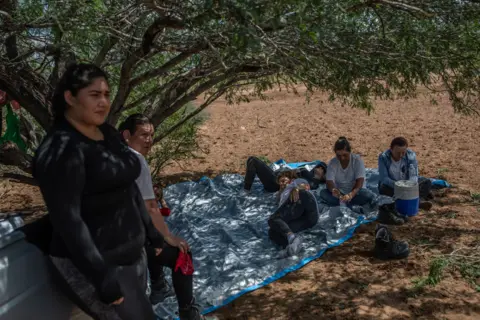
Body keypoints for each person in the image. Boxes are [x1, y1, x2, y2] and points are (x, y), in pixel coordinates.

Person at [33, 64, 203, 320]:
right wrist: (101, 277)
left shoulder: (107, 134)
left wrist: (153, 235)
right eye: (94, 95)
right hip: (96, 265)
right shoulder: (60, 150)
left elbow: (128, 186)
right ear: (69, 97)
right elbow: (69, 221)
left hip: (130, 255)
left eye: (106, 94)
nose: (103, 102)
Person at [118, 114, 192, 306]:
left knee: (152, 236)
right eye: (143, 135)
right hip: (125, 242)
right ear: (127, 134)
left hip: (113, 234)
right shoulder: (136, 160)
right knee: (181, 252)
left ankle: (159, 286)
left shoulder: (110, 154)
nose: (149, 140)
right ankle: (189, 312)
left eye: (151, 135)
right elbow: (151, 207)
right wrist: (169, 237)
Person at [378, 137, 433, 210]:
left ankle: (416, 200)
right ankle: (415, 200)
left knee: (426, 182)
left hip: (407, 184)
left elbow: (413, 175)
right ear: (391, 149)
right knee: (383, 188)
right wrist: (399, 186)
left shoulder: (410, 155)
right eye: (398, 153)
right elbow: (384, 178)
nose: (401, 155)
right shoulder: (383, 157)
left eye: (403, 153)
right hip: (393, 185)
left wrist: (409, 186)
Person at [268, 179, 319, 256]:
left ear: (290, 179)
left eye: (284, 180)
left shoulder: (297, 181)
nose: (283, 183)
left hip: (307, 206)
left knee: (273, 219)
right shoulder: (283, 193)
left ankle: (291, 237)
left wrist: (295, 188)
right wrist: (281, 190)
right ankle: (292, 246)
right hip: (303, 219)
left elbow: (305, 186)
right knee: (272, 231)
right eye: (281, 181)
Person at [321, 137, 376, 207]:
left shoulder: (357, 160)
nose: (342, 158)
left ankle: (344, 204)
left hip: (356, 193)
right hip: (340, 193)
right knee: (323, 193)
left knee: (368, 195)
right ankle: (349, 204)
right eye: (339, 156)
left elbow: (360, 182)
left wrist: (350, 195)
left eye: (345, 155)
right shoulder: (332, 163)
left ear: (350, 152)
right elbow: (329, 182)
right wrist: (335, 191)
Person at [243, 156, 327, 195]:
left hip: (276, 183)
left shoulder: (314, 182)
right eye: (319, 167)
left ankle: (246, 191)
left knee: (252, 161)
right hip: (277, 176)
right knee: (252, 161)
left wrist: (317, 176)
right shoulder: (309, 173)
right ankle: (246, 189)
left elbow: (310, 186)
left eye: (322, 169)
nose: (319, 169)